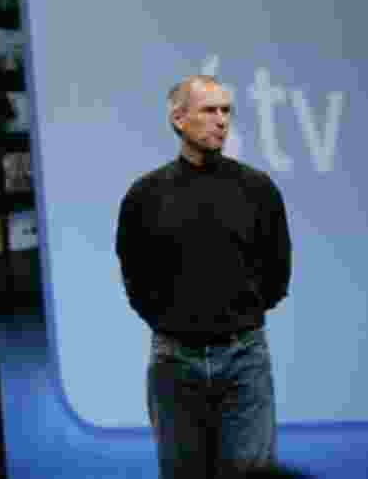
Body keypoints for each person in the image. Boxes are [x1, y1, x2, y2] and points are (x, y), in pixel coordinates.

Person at [116, 74, 292, 478]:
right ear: (179, 119)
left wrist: (237, 316)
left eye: (226, 111)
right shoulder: (144, 197)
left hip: (245, 359)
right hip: (174, 362)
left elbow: (277, 272)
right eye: (209, 110)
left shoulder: (258, 189)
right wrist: (174, 322)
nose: (221, 121)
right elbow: (135, 277)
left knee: (253, 475)